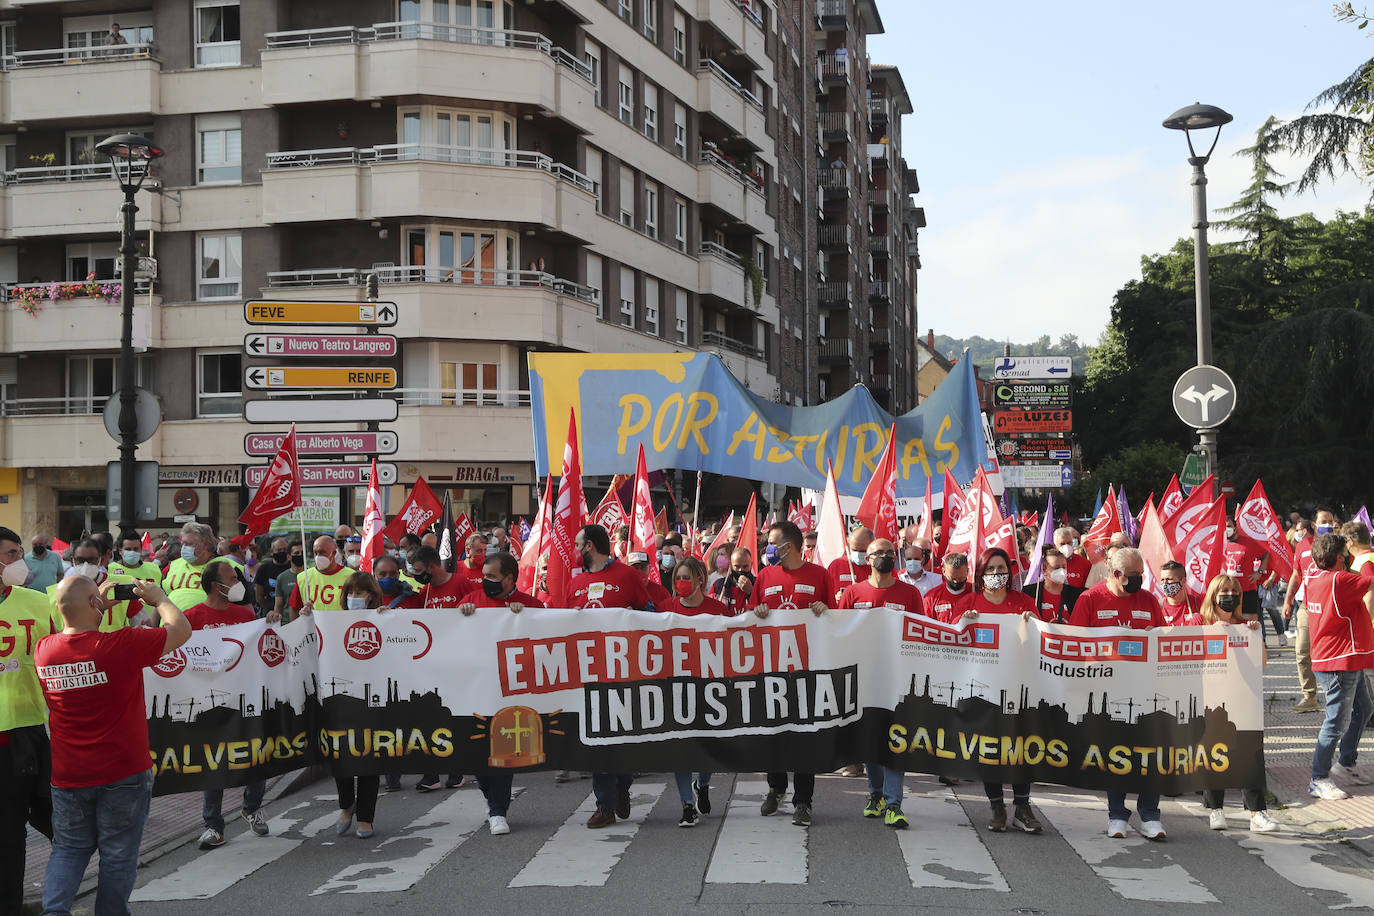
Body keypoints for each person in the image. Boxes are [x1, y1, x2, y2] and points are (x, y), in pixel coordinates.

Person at [35, 575, 190, 916]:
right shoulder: (122, 644)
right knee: (118, 853)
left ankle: (54, 912)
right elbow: (180, 629)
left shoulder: (44, 650)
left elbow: (81, 639)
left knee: (69, 849)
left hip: (69, 773)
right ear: (94, 605)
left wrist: (95, 606)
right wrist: (160, 598)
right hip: (123, 770)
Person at [1069, 547, 1167, 839]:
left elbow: (1164, 638)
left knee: (1150, 753)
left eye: (1142, 574)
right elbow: (1075, 645)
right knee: (1118, 753)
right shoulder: (1089, 599)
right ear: (1116, 575)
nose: (1141, 580)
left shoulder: (1148, 600)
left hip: (1147, 692)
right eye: (1135, 576)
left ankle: (1150, 815)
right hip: (1108, 694)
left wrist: (1156, 636)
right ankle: (1117, 815)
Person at [954, 547, 1043, 833]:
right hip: (983, 691)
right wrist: (962, 623)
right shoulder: (970, 602)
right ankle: (996, 806)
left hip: (1018, 688)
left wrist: (1034, 625)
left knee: (1019, 747)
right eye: (990, 569)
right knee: (989, 748)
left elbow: (1041, 645)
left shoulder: (1024, 602)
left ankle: (1023, 806)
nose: (996, 575)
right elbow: (950, 645)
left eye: (1001, 569)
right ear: (980, 574)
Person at [838, 538, 923, 829]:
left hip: (898, 679)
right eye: (878, 553)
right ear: (866, 558)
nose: (884, 557)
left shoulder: (910, 593)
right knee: (871, 742)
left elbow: (921, 633)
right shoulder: (852, 592)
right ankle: (875, 794)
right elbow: (839, 633)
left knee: (896, 741)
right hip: (863, 678)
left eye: (889, 553)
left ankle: (894, 803)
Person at [570, 524, 652, 827]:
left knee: (624, 741)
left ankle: (622, 786)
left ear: (589, 546)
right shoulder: (575, 582)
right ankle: (604, 805)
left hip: (624, 672)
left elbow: (651, 613)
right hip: (588, 674)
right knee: (598, 742)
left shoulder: (628, 576)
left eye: (578, 544)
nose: (575, 549)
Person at [185, 560, 270, 849]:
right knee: (215, 761)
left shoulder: (244, 614)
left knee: (257, 755)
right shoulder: (191, 617)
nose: (239, 582)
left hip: (245, 696)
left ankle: (251, 806)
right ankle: (213, 825)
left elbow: (261, 647)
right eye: (232, 578)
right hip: (209, 701)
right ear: (215, 585)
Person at [752, 521, 830, 827]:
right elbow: (752, 615)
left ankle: (803, 802)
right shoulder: (764, 575)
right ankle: (776, 788)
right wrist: (757, 611)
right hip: (772, 669)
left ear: (789, 546)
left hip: (807, 670)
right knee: (773, 734)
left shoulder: (819, 575)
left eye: (772, 542)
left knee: (804, 738)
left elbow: (836, 619)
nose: (768, 548)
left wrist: (826, 610)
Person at [1196, 574, 1279, 832]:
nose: (1230, 595)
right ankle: (1216, 810)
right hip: (1210, 701)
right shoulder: (1200, 625)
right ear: (1213, 595)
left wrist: (1256, 637)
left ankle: (1257, 814)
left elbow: (1261, 664)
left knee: (1250, 754)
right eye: (1225, 590)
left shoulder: (1247, 625)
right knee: (1214, 753)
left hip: (1243, 699)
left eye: (1234, 591)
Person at [1, 527, 55, 914]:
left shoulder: (37, 603)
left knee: (14, 830)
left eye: (19, 553)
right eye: (9, 554)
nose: (18, 561)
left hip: (25, 733)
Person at [1303, 533, 1374, 800]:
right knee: (1335, 721)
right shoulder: (1340, 579)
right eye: (1345, 556)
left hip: (1342, 657)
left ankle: (1346, 762)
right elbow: (1370, 580)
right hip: (1337, 660)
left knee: (1364, 708)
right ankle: (1318, 778)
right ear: (1341, 558)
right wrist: (1359, 555)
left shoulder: (1316, 574)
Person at [656, 557, 723, 827]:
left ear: (700, 581)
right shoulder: (665, 609)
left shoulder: (717, 609)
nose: (681, 583)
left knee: (708, 746)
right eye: (678, 579)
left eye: (686, 578)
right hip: (675, 688)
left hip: (709, 687)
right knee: (681, 748)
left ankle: (702, 783)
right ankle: (686, 805)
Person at [408, 544, 475, 791]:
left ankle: (456, 771)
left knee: (454, 716)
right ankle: (431, 773)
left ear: (432, 566)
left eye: (418, 570)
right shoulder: (423, 591)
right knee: (429, 717)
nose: (415, 575)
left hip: (459, 663)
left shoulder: (461, 583)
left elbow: (484, 609)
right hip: (431, 664)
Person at [331, 572, 385, 837]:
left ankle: (366, 816)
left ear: (371, 596)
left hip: (373, 700)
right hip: (340, 700)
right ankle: (346, 805)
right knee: (340, 757)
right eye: (350, 593)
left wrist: (390, 621)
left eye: (360, 593)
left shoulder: (383, 618)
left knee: (369, 761)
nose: (354, 598)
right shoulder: (332, 621)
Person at [1283, 509, 1336, 712]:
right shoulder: (1303, 545)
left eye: (1331, 521)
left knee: (1330, 653)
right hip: (1306, 606)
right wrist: (1288, 601)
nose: (1328, 524)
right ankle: (1309, 696)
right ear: (1314, 524)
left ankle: (1335, 696)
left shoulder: (1338, 545)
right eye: (1324, 521)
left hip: (1331, 607)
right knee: (1302, 651)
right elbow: (1296, 575)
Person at [287, 535, 353, 615]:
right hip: (312, 627)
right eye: (315, 553)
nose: (318, 556)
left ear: (334, 553)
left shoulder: (351, 576)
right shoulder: (304, 577)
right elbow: (294, 608)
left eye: (322, 552)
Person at [1221, 517, 1269, 617]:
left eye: (1229, 526)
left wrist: (1259, 573)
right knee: (1228, 623)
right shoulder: (1220, 544)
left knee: (1250, 623)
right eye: (1224, 527)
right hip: (1226, 592)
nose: (1227, 529)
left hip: (1247, 590)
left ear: (1235, 528)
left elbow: (1266, 555)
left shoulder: (1249, 543)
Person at [163, 521, 219, 605]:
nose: (184, 548)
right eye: (183, 544)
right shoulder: (174, 565)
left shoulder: (225, 568)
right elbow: (161, 597)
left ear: (205, 544)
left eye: (188, 544)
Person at [923, 552, 973, 622]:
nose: (956, 581)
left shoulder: (976, 593)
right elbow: (926, 625)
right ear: (943, 571)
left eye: (961, 578)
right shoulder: (931, 597)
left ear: (967, 571)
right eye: (952, 578)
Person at [827, 527, 872, 603]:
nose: (858, 554)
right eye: (854, 550)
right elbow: (824, 595)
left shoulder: (880, 565)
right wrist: (835, 597)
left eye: (863, 551)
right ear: (848, 545)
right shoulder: (836, 565)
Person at [709, 548, 755, 615]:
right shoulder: (719, 585)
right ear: (731, 565)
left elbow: (763, 608)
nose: (740, 570)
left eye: (745, 567)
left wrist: (751, 592)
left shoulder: (758, 584)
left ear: (751, 564)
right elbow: (709, 608)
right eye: (737, 566)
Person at [253, 537, 291, 614]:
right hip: (271, 613)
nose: (282, 552)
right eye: (279, 550)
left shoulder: (294, 567)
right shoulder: (263, 569)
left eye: (285, 550)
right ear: (271, 551)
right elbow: (259, 595)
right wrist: (268, 608)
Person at [1157, 560, 1200, 625]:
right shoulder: (1158, 607)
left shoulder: (1199, 604)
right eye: (1162, 580)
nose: (1165, 583)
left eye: (1169, 579)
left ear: (1183, 581)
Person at [273, 540, 305, 623]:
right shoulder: (282, 578)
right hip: (287, 623)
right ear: (289, 557)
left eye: (302, 552)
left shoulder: (311, 575)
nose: (300, 555)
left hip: (307, 623)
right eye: (296, 553)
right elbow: (278, 605)